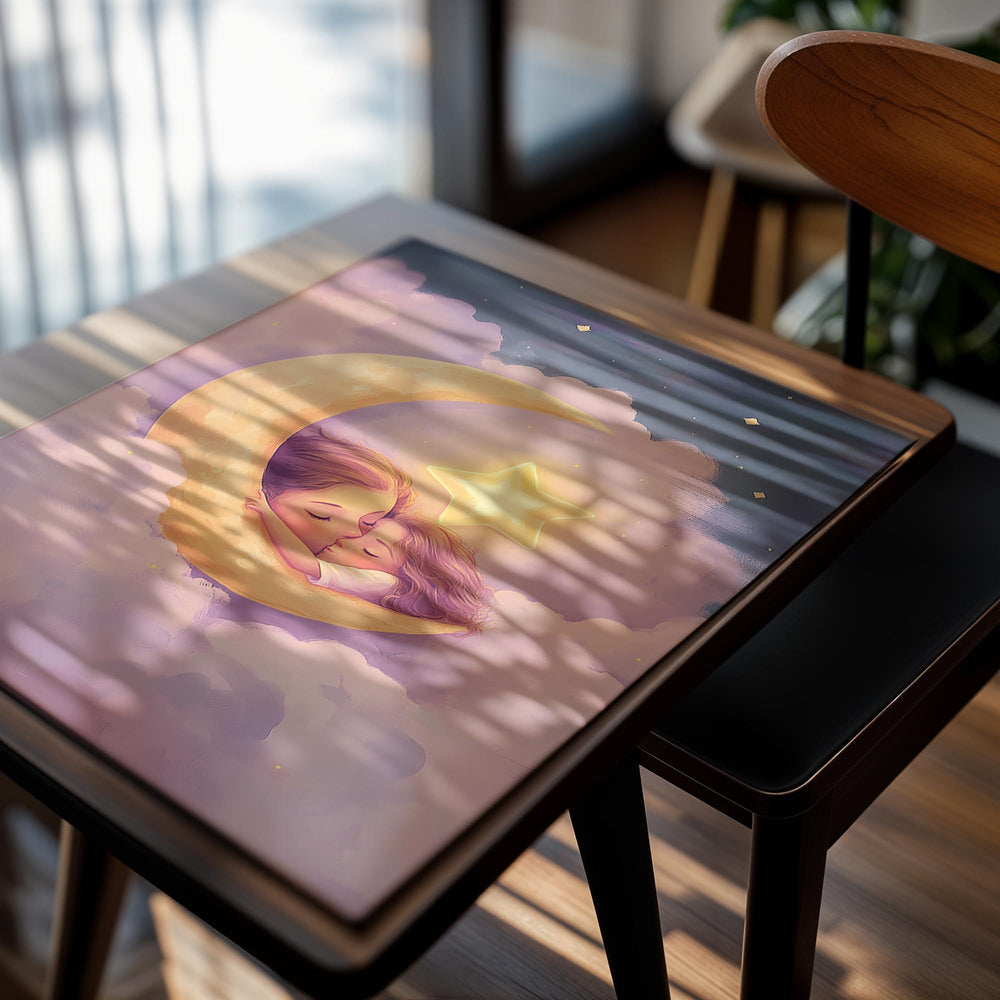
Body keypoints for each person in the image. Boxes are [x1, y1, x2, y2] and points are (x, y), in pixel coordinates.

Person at [244, 427, 490, 631]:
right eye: (322, 515)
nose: (350, 536)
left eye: (367, 524)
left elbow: (303, 563)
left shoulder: (380, 582)